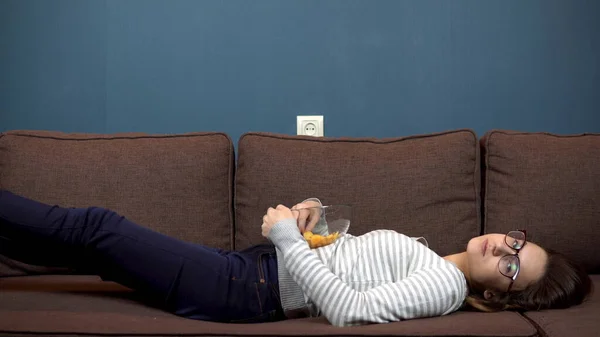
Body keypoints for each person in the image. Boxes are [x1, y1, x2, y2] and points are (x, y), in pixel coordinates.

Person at [0, 190, 593, 327]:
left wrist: (285, 236)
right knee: (91, 244)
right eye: (517, 242)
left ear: (497, 294)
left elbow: (345, 308)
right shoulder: (430, 257)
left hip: (245, 288)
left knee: (98, 230)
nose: (504, 248)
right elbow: (345, 268)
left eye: (514, 266)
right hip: (250, 269)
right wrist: (313, 221)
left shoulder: (441, 288)